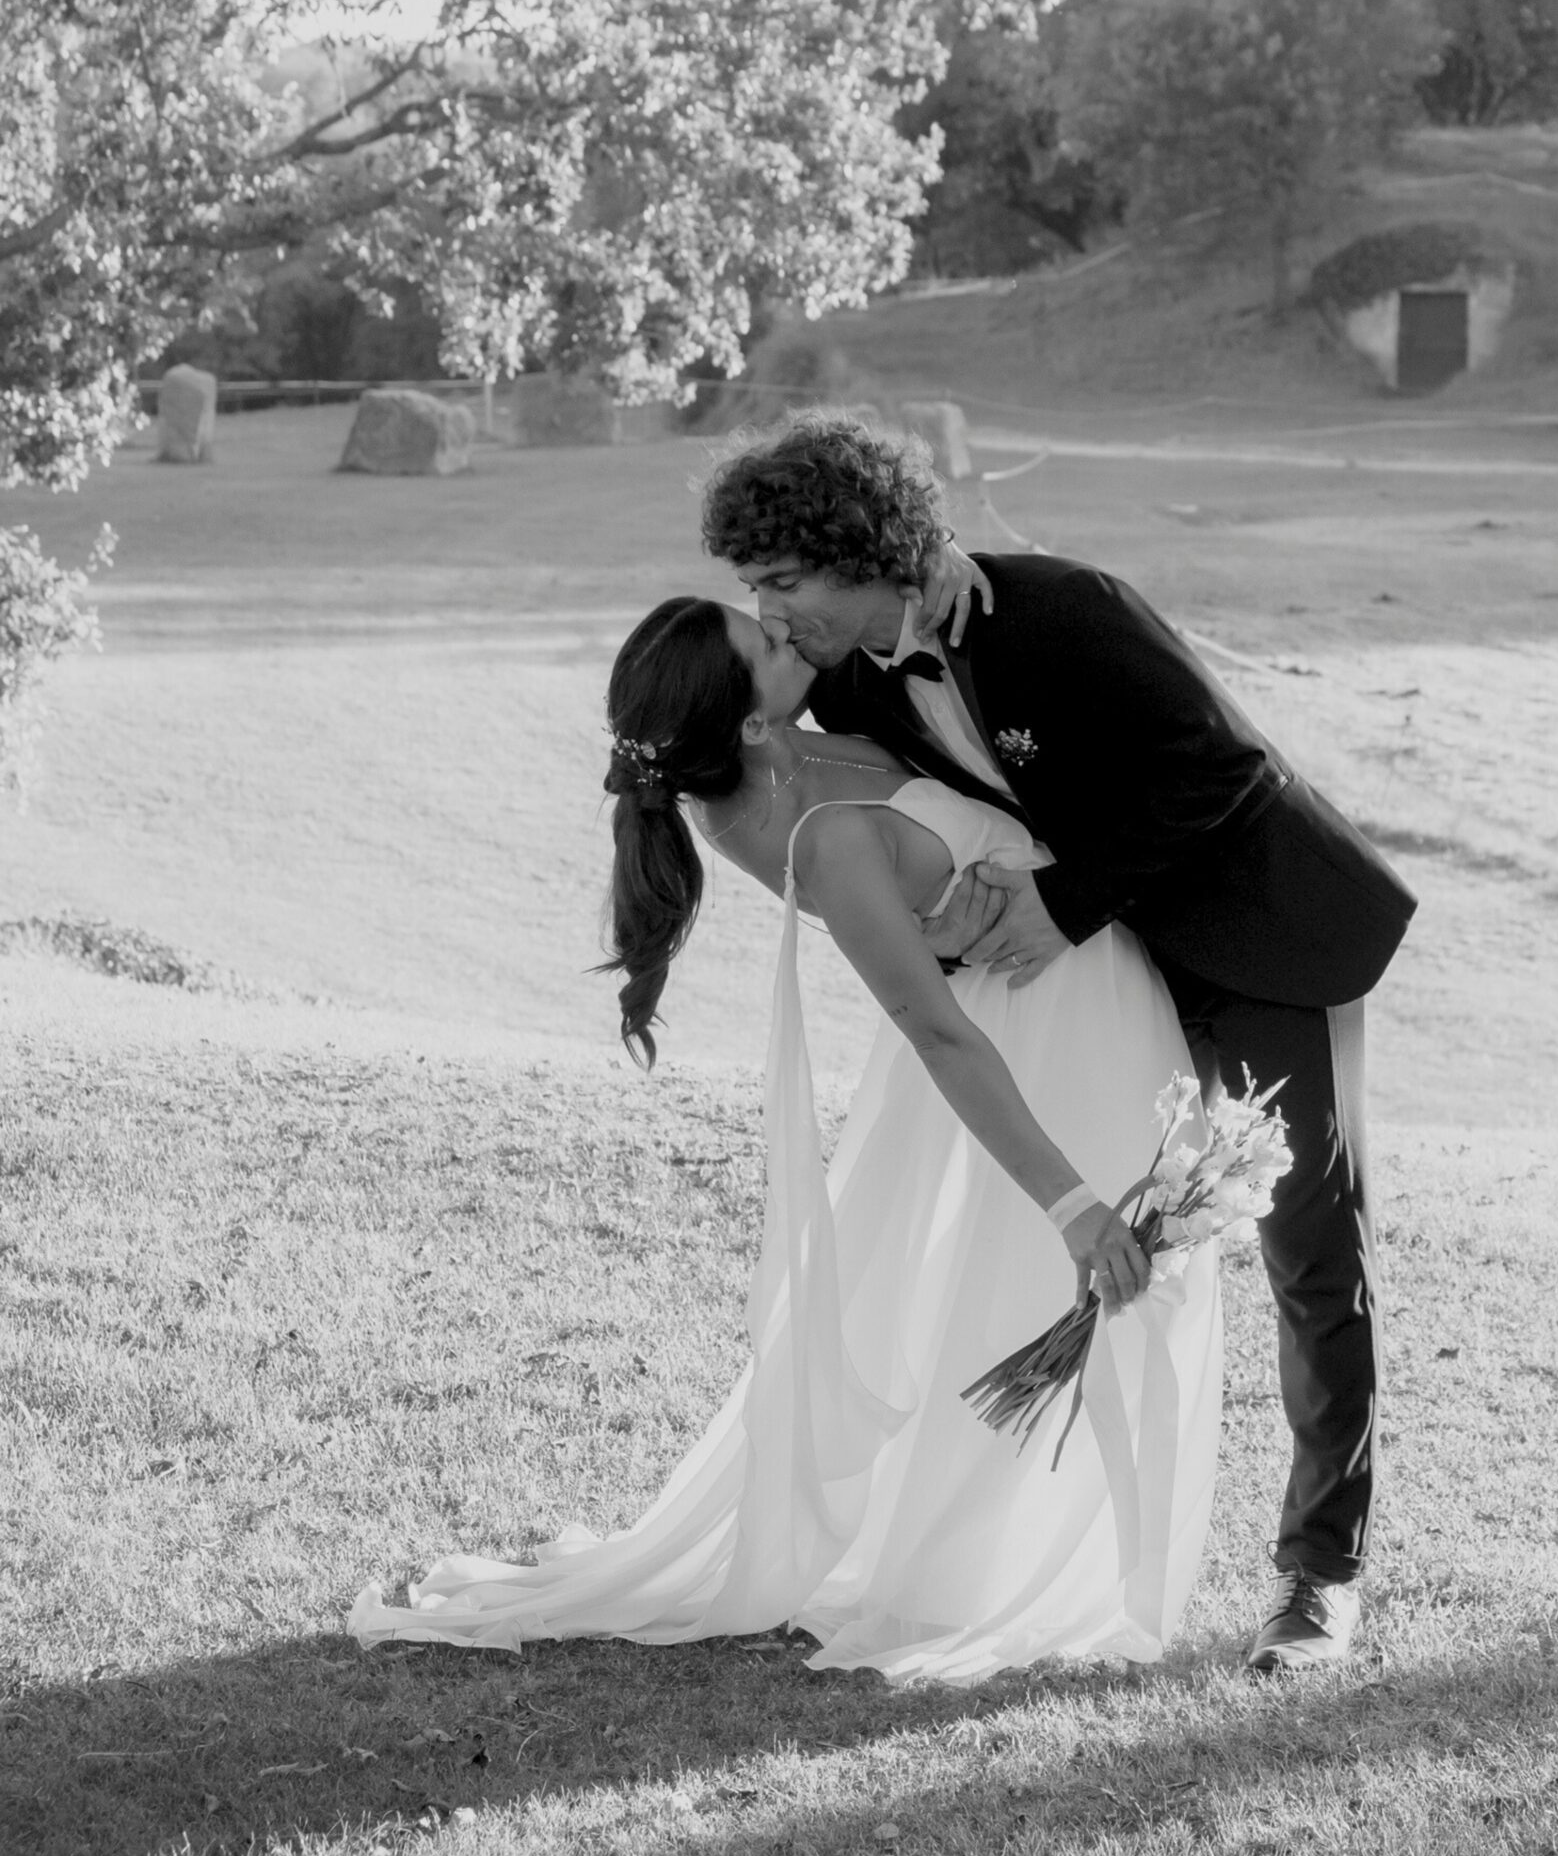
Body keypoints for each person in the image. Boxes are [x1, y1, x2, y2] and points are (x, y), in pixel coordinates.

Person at [349, 590, 1224, 1679]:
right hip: (1047, 1028)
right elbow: (937, 1032)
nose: (783, 628)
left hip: (1070, 978)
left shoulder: (762, 762)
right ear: (753, 725)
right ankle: (1028, 1566)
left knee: (1076, 1296)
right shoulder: (823, 838)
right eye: (763, 642)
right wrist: (1070, 1203)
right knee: (1109, 1281)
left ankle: (1057, 1552)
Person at [699, 412, 1417, 1675]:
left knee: (1308, 1241)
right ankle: (1026, 1545)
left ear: (861, 548)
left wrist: (1061, 901)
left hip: (1257, 936)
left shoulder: (1064, 608)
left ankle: (1319, 1578)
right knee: (1088, 1235)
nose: (768, 607)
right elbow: (802, 764)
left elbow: (1224, 770)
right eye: (754, 583)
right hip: (1099, 985)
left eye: (782, 578)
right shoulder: (856, 677)